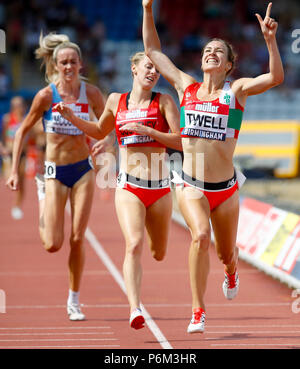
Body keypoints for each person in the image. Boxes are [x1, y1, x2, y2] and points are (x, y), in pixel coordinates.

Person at [142, 0, 284, 333]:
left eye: (219, 51)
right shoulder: (185, 87)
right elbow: (151, 49)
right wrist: (148, 8)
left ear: (229, 65)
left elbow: (276, 77)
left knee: (226, 253)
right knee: (199, 237)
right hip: (190, 184)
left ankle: (231, 270)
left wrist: (270, 40)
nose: (211, 52)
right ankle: (198, 310)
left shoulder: (236, 92)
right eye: (208, 49)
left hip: (226, 190)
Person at [54, 51, 182, 329]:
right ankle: (135, 308)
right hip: (129, 187)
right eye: (148, 67)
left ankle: (153, 238)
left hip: (160, 189)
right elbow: (100, 131)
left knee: (158, 252)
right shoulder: (116, 100)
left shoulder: (165, 102)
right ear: (134, 69)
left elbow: (182, 142)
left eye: (157, 70)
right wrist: (71, 117)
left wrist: (151, 133)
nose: (153, 73)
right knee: (133, 244)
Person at [6, 33, 106, 321]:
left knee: (77, 237)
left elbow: (109, 125)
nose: (69, 66)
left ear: (81, 64)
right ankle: (42, 199)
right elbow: (23, 130)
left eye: (73, 61)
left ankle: (74, 300)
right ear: (56, 64)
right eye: (64, 62)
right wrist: (14, 170)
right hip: (54, 172)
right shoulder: (46, 95)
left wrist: (107, 141)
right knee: (52, 244)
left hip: (83, 170)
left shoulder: (93, 94)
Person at [2, 96, 28, 220]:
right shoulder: (7, 119)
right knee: (8, 178)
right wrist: (2, 147)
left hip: (22, 155)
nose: (18, 108)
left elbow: (32, 136)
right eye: (15, 105)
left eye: (20, 105)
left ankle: (17, 206)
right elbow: (2, 135)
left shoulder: (26, 120)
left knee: (20, 182)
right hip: (9, 154)